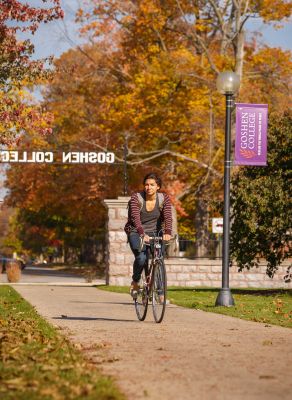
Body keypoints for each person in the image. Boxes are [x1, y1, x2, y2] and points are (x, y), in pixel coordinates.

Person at [124, 172, 172, 297]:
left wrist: (167, 232)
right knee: (141, 258)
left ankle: (161, 293)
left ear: (158, 187)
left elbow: (168, 216)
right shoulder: (136, 197)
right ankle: (135, 281)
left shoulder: (164, 198)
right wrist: (141, 233)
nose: (148, 187)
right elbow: (135, 218)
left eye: (152, 185)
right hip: (136, 231)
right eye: (146, 185)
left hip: (156, 233)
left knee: (158, 259)